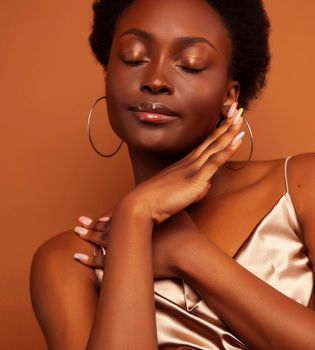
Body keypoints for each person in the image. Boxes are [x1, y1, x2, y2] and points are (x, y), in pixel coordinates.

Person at [30, 0, 315, 349]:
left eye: (190, 64)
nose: (155, 80)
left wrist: (187, 252)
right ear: (108, 77)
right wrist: (136, 215)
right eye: (134, 58)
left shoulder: (301, 184)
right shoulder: (71, 261)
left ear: (230, 95)